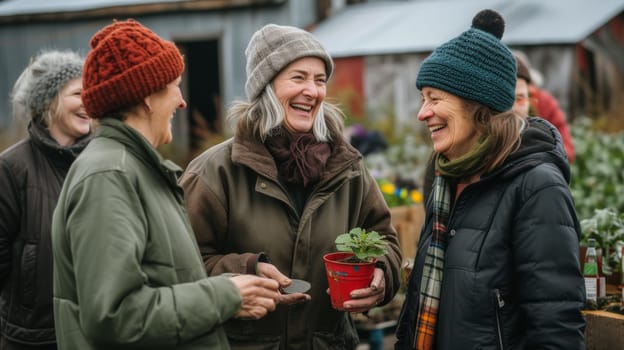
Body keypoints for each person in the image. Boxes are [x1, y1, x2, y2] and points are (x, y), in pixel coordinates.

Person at [51, 19, 281, 350]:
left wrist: (236, 288)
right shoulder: (108, 177)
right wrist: (223, 296)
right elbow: (115, 316)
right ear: (147, 96)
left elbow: (162, 281)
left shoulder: (136, 169)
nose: (182, 100)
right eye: (175, 85)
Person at [179, 24, 402, 349]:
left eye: (320, 80)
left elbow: (384, 240)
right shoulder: (215, 171)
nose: (312, 91)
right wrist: (247, 270)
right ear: (266, 87)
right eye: (298, 78)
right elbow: (182, 265)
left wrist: (382, 274)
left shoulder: (347, 168)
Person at [395, 10, 585, 350]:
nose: (423, 113)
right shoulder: (445, 178)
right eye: (423, 99)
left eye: (435, 99)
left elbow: (555, 325)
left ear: (478, 106)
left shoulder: (537, 188)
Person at [0, 49, 92, 350]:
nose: (88, 102)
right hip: (32, 338)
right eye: (78, 93)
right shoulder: (12, 168)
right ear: (48, 100)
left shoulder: (100, 160)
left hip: (93, 332)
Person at [513, 51, 576, 163]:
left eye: (520, 97)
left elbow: (567, 148)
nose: (514, 106)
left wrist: (545, 157)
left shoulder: (545, 102)